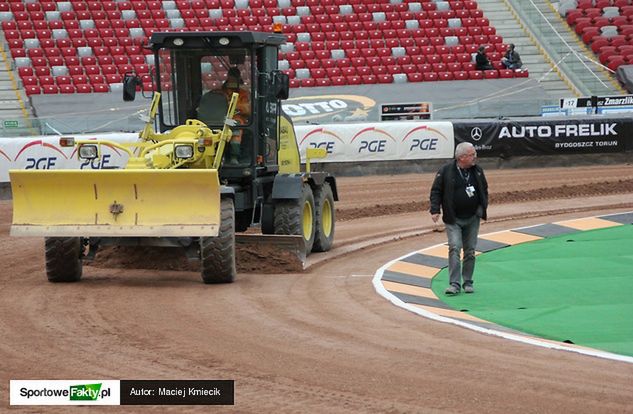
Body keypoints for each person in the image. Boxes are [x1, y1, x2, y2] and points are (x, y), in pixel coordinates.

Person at [429, 142, 488, 295]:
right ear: (462, 157)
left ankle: (467, 282)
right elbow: (436, 190)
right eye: (472, 154)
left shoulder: (477, 171)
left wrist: (481, 208)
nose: (475, 157)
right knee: (454, 247)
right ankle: (454, 284)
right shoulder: (446, 171)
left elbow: (484, 189)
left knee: (470, 251)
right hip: (453, 219)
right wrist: (435, 210)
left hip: (472, 218)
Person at [198, 66, 251, 164]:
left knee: (236, 126)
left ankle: (234, 156)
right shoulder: (217, 92)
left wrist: (234, 105)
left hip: (231, 120)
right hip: (217, 119)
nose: (232, 79)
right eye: (231, 77)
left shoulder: (243, 94)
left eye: (235, 77)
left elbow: (247, 109)